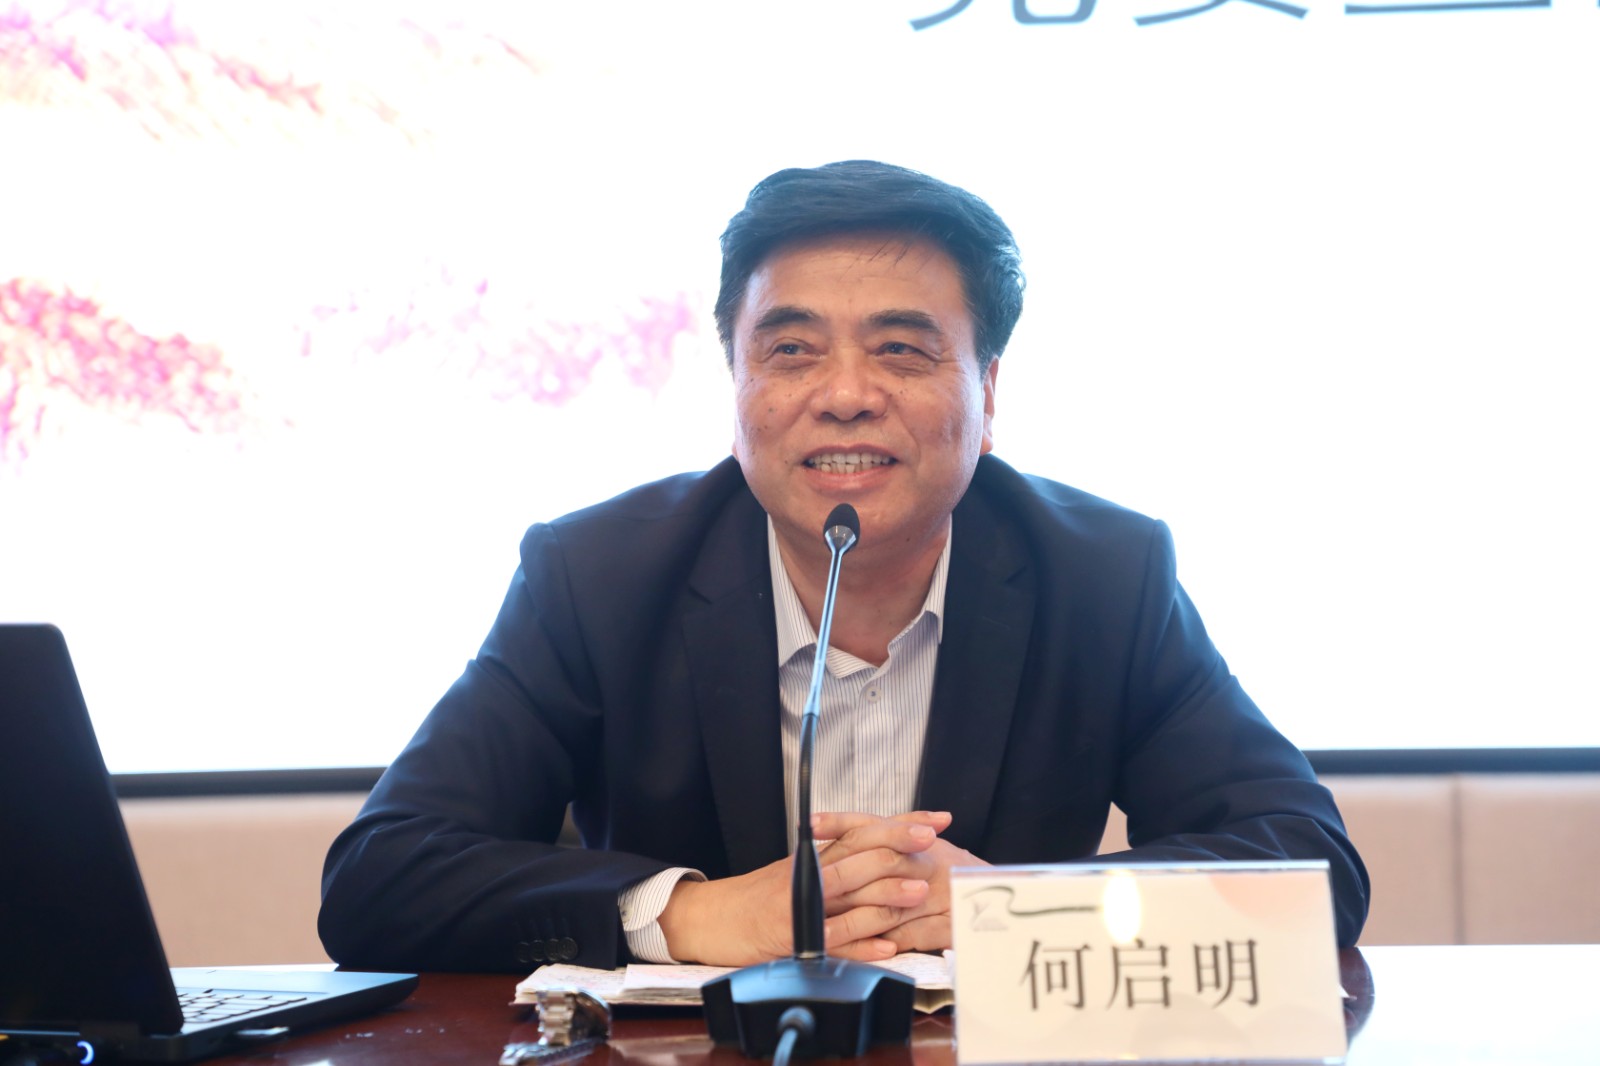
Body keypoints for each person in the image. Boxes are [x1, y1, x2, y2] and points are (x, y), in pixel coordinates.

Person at [319, 161, 1369, 972]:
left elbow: (1311, 867)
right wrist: (691, 913)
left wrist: (1013, 909)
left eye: (902, 349)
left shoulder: (1101, 575)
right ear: (736, 385)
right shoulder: (597, 576)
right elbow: (380, 878)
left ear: (987, 393)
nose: (846, 395)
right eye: (791, 350)